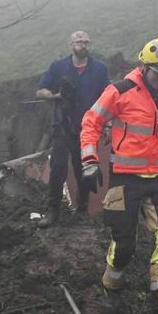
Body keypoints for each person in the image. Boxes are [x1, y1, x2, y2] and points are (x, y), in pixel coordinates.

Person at [79, 36, 158, 314]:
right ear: (145, 67)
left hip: (157, 178)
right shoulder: (121, 91)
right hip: (125, 179)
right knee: (125, 243)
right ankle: (111, 290)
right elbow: (91, 122)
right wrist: (89, 162)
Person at [36, 30, 109, 225]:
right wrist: (54, 96)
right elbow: (41, 90)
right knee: (58, 168)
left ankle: (82, 210)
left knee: (83, 169)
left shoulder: (100, 69)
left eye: (86, 42)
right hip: (62, 125)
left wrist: (107, 124)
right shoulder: (58, 67)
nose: (82, 45)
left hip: (88, 127)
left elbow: (108, 98)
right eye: (79, 41)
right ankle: (53, 211)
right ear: (70, 44)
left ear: (89, 45)